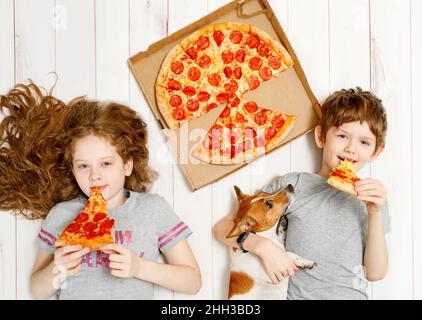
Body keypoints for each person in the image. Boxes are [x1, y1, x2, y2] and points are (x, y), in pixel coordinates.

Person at [0, 82, 201, 299]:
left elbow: (192, 282)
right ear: (73, 169)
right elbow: (37, 291)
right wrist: (57, 268)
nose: (94, 175)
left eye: (105, 164)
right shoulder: (61, 214)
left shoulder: (153, 209)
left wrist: (139, 268)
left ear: (127, 165)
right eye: (83, 165)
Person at [214, 87, 390, 300]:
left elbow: (376, 273)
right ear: (321, 137)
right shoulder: (293, 185)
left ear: (376, 151)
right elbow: (222, 229)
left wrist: (375, 213)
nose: (351, 148)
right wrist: (262, 246)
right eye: (342, 136)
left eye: (364, 142)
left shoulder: (372, 199)